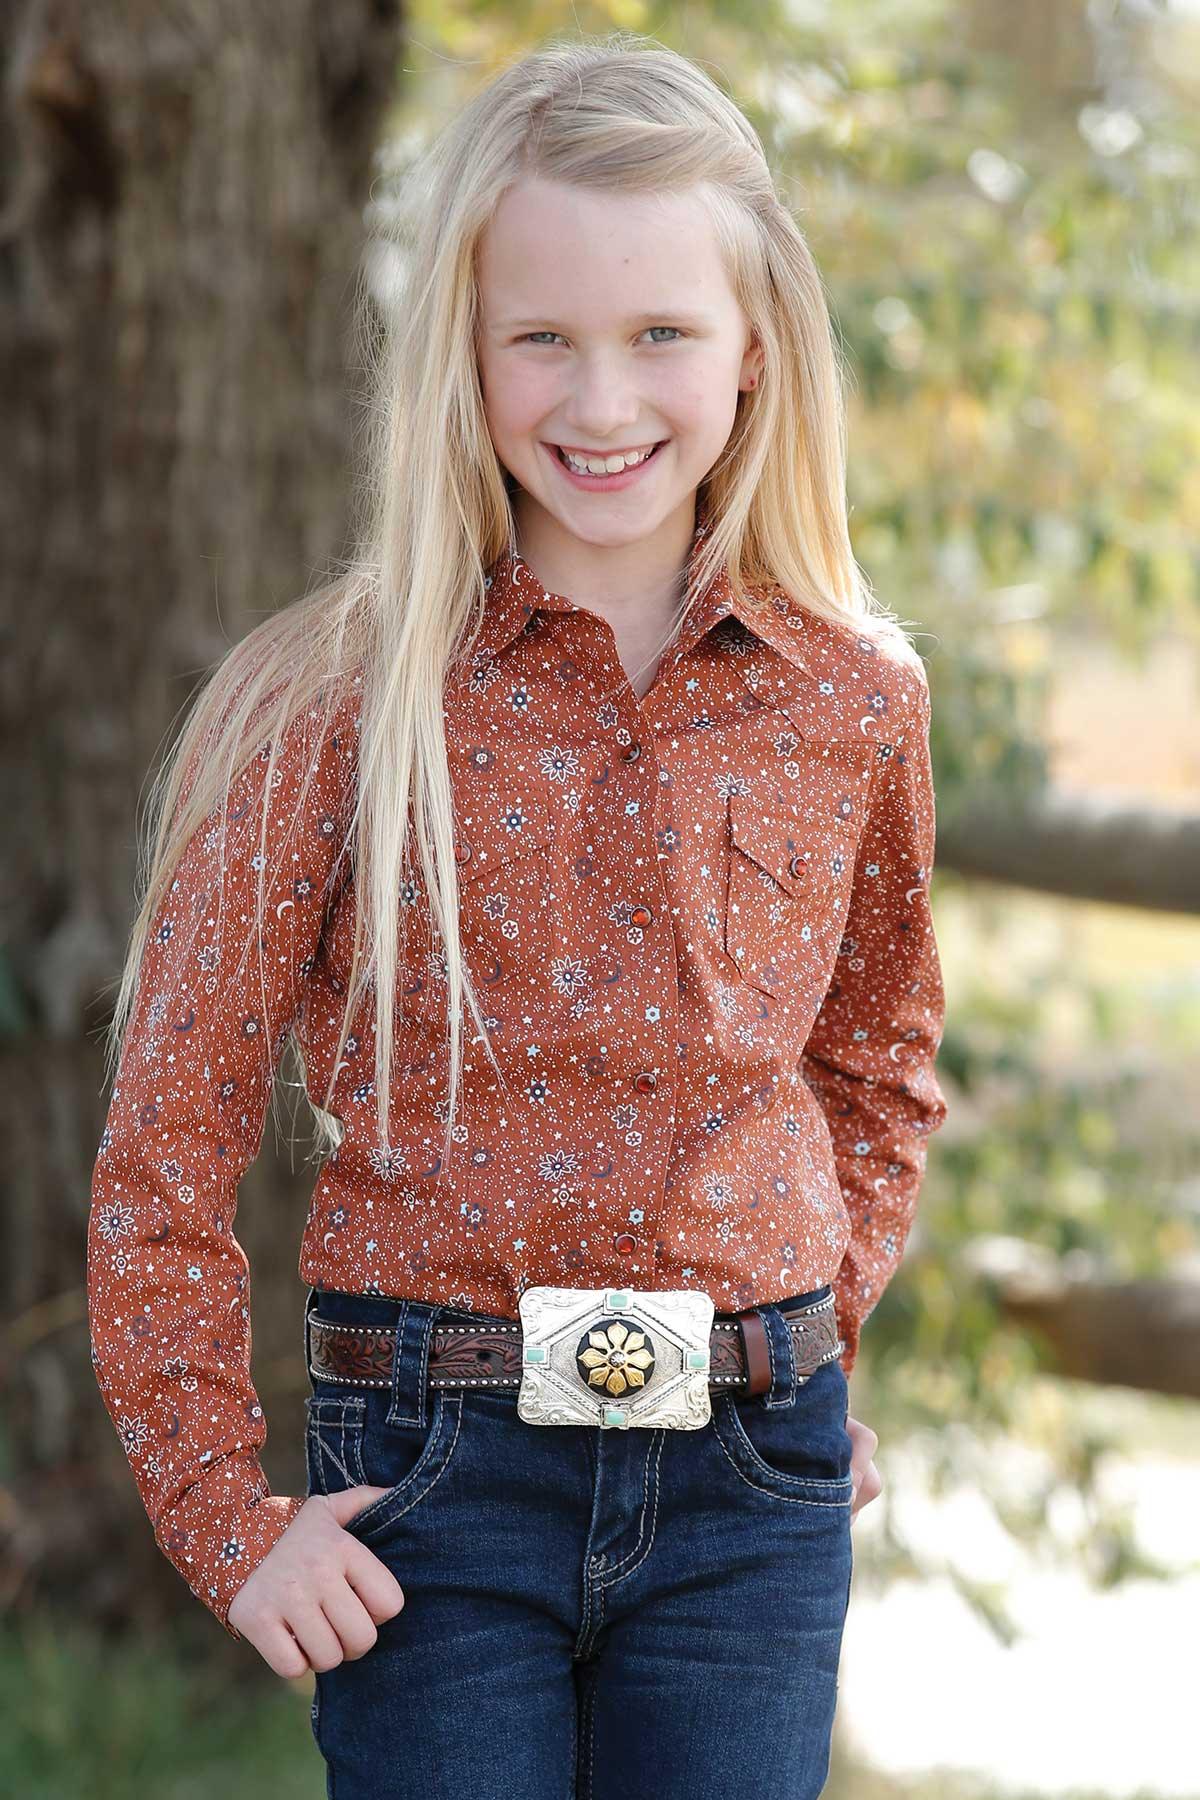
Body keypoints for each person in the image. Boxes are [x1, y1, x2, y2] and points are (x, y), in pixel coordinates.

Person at [87, 33, 948, 1799]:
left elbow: (877, 1067)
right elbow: (165, 1139)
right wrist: (222, 1516)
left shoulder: (853, 698)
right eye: (541, 338)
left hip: (753, 1491)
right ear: (461, 357)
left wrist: (805, 1334)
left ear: (757, 347)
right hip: (432, 1483)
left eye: (662, 334)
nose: (603, 399)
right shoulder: (328, 705)